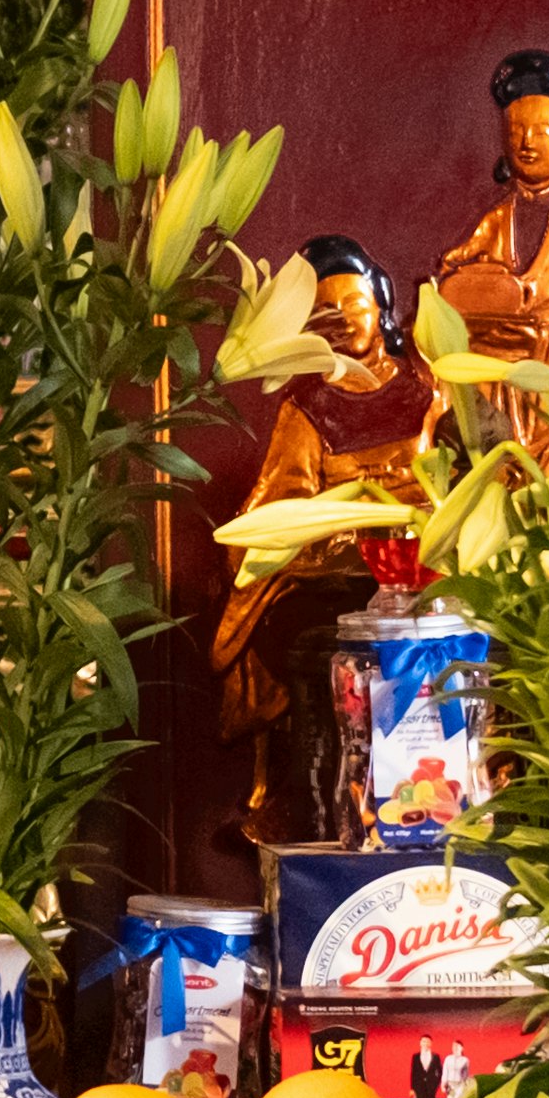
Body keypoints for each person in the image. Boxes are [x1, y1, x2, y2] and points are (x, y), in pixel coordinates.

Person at [203, 232, 433, 843]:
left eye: (353, 304)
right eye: (326, 313)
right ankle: (313, 802)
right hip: (335, 573)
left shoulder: (429, 390)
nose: (344, 321)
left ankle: (439, 796)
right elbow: (277, 508)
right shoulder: (308, 407)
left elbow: (461, 472)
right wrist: (346, 521)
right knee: (319, 640)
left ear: (381, 306)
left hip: (424, 566)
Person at [428, 46, 549, 450]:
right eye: (516, 130)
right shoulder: (495, 222)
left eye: (543, 130)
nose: (526, 142)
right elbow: (453, 297)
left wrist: (538, 342)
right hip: (491, 404)